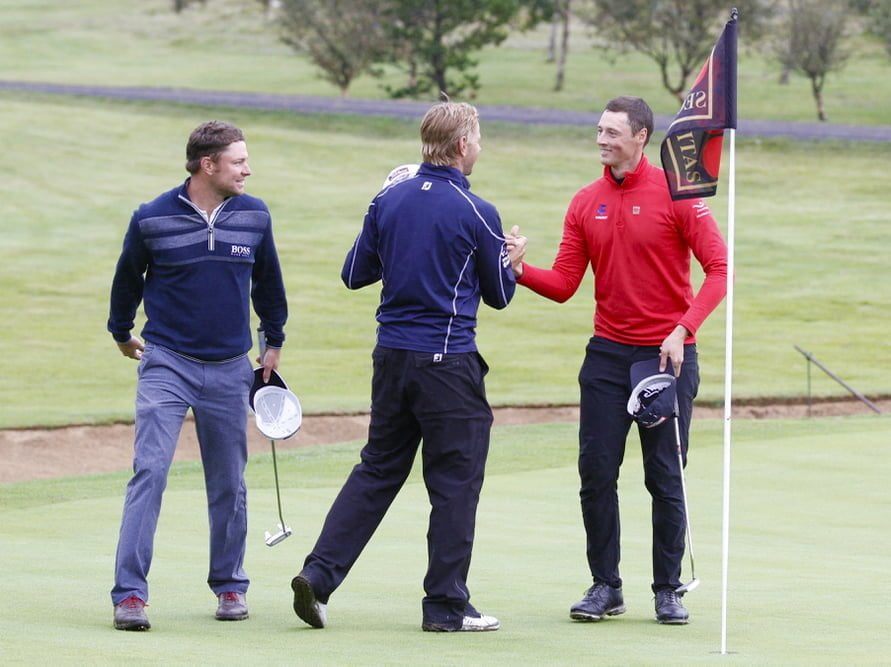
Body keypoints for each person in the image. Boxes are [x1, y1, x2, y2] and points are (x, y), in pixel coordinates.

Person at [290, 101, 521, 633]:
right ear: (462, 145)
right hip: (448, 364)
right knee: (455, 482)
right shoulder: (477, 211)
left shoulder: (388, 198)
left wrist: (381, 210)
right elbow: (500, 296)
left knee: (378, 469)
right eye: (478, 139)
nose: (479, 147)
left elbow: (353, 273)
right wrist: (512, 260)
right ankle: (444, 605)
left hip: (390, 358)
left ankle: (319, 575)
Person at [509, 96, 727, 625]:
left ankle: (667, 590)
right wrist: (518, 270)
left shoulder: (679, 193)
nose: (601, 139)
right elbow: (564, 285)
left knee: (664, 476)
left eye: (612, 132)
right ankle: (606, 586)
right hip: (607, 355)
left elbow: (720, 269)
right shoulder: (585, 201)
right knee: (596, 472)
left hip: (666, 356)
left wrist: (683, 329)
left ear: (641, 137)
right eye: (599, 130)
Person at [106, 120, 288, 631]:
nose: (247, 169)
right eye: (238, 161)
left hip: (231, 368)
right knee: (151, 471)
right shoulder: (151, 219)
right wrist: (121, 332)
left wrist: (273, 339)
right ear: (208, 165)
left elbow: (268, 281)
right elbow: (127, 280)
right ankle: (130, 596)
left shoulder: (254, 216)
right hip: (166, 363)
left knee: (229, 482)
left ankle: (230, 584)